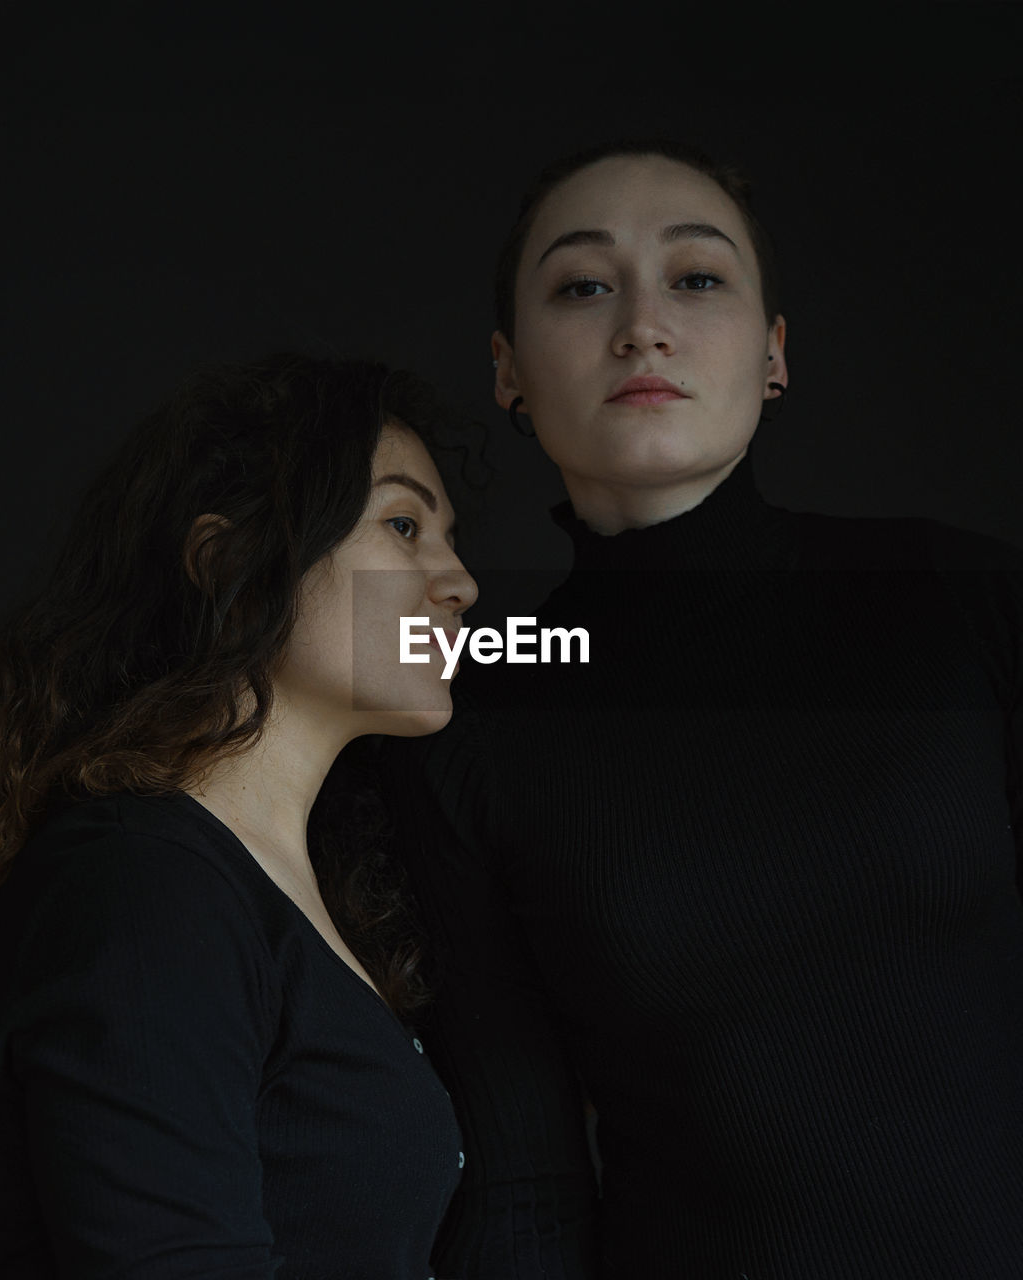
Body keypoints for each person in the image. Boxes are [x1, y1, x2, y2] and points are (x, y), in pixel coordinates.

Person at [379, 138, 1023, 1278]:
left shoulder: (958, 598)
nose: (641, 325)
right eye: (583, 286)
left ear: (774, 355)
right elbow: (527, 1181)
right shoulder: (472, 699)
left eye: (698, 278)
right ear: (508, 371)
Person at [0, 351, 478, 1279]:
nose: (459, 581)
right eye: (405, 524)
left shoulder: (291, 893)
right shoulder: (144, 889)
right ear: (235, 568)